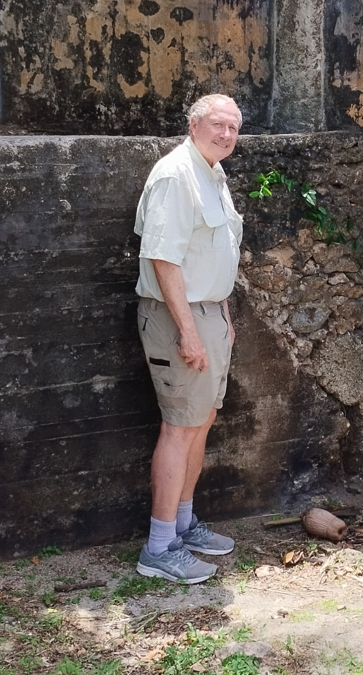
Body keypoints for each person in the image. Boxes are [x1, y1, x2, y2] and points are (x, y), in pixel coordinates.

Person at [132, 93, 244, 584]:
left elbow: (210, 251)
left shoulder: (211, 173)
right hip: (180, 318)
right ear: (194, 124)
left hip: (207, 314)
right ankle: (158, 547)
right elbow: (164, 258)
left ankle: (181, 526)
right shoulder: (177, 174)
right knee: (179, 426)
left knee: (201, 419)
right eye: (218, 125)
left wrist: (221, 313)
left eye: (234, 129)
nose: (226, 135)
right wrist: (189, 331)